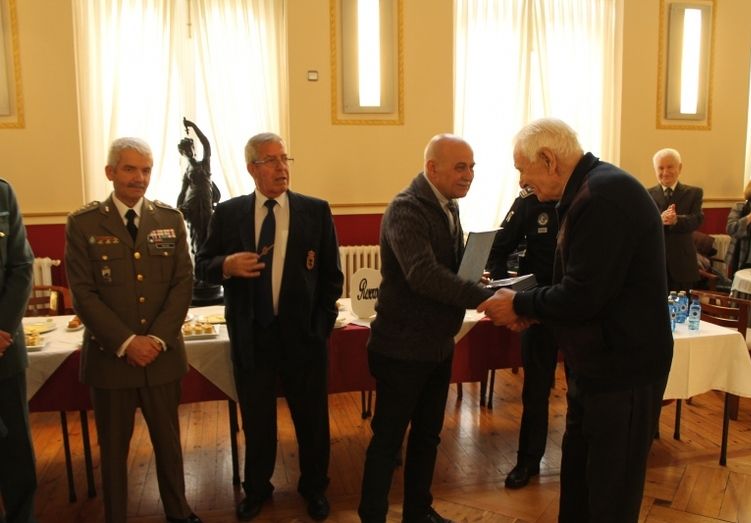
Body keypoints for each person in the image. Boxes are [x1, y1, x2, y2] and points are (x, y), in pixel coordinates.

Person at [478, 119, 673, 522]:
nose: (521, 183)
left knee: (609, 494)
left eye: (522, 170)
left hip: (624, 373)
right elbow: (582, 290)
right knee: (582, 483)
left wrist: (522, 305)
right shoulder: (591, 189)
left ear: (549, 160)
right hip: (599, 368)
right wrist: (534, 312)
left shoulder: (603, 196)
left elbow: (583, 295)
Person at [195, 133, 343, 522]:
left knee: (312, 421)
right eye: (270, 161)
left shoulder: (315, 210)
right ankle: (257, 489)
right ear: (251, 169)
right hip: (252, 335)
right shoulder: (228, 214)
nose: (281, 168)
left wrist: (320, 327)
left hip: (304, 337)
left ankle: (314, 488)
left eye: (285, 159)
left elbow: (332, 277)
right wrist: (226, 265)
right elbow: (202, 263)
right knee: (257, 421)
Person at [358, 134, 493, 523]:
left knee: (428, 436)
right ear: (432, 168)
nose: (469, 175)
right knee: (388, 442)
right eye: (460, 167)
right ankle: (373, 516)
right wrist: (480, 296)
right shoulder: (406, 209)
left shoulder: (447, 204)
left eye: (472, 167)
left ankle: (418, 511)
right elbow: (422, 275)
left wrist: (468, 275)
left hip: (436, 344)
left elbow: (440, 269)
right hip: (400, 348)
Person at [65, 138, 200, 523]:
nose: (139, 178)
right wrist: (127, 343)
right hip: (112, 360)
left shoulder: (169, 219)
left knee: (170, 446)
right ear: (110, 172)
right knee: (113, 450)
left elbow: (182, 285)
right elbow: (83, 294)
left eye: (145, 170)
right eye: (129, 169)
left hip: (162, 356)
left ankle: (179, 511)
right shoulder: (83, 223)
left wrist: (155, 339)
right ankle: (116, 517)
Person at [486, 186, 558, 490]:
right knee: (536, 389)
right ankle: (528, 461)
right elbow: (497, 250)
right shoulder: (528, 204)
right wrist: (513, 296)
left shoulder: (587, 198)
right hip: (538, 309)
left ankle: (586, 458)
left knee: (587, 387)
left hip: (582, 309)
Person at [0, 179, 36, 523]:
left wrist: (1, 329)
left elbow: (22, 266)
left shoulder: (2, 193)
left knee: (15, 450)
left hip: (3, 349)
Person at [648, 148, 704, 292]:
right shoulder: (646, 194)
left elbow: (697, 220)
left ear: (679, 167)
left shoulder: (694, 193)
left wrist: (676, 220)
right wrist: (659, 219)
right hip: (656, 260)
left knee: (682, 309)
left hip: (683, 262)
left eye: (670, 167)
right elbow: (641, 224)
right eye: (660, 168)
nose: (665, 172)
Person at [176, 118, 221, 256]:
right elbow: (182, 192)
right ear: (182, 153)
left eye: (190, 148)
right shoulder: (187, 172)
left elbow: (206, 143)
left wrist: (193, 125)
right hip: (192, 206)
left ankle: (207, 269)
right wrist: (178, 209)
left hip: (206, 204)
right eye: (185, 150)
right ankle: (199, 271)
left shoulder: (204, 164)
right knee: (195, 237)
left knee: (209, 236)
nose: (188, 151)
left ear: (194, 149)